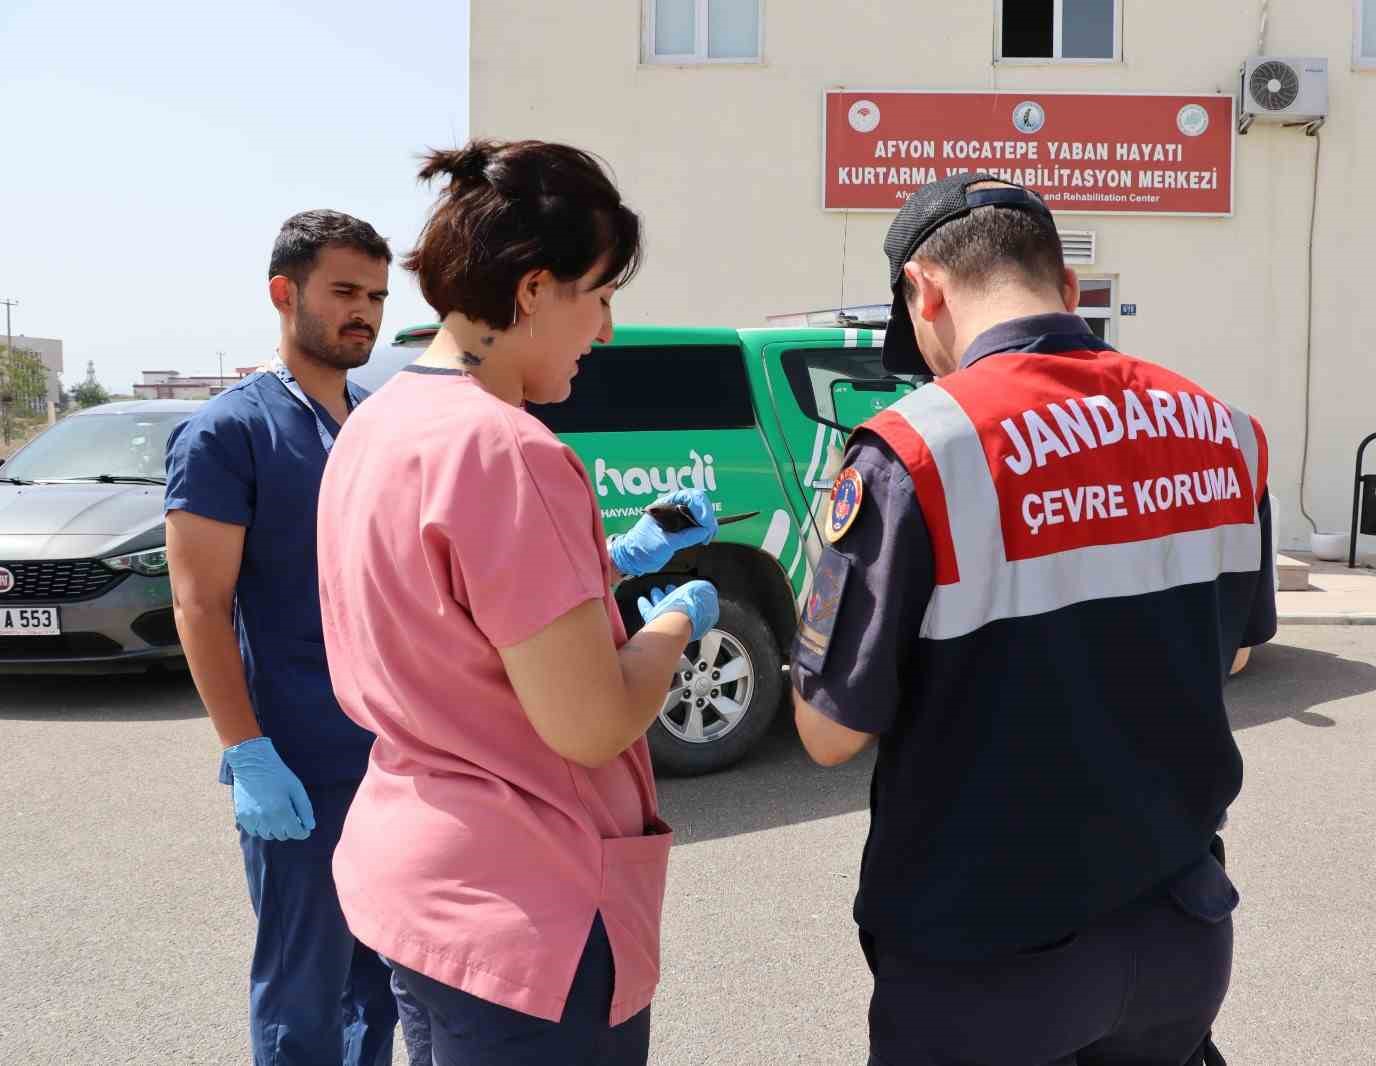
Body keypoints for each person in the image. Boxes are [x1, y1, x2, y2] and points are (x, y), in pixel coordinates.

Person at [790, 173, 1277, 1066]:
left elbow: (828, 733)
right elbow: (1237, 653)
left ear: (924, 291)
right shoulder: (1225, 431)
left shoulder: (919, 448)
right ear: (1070, 289)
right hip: (1181, 931)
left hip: (988, 955)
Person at [314, 138, 719, 1066]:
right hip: (523, 910)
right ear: (535, 290)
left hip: (420, 881)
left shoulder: (376, 423)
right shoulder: (509, 448)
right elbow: (590, 721)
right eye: (602, 296)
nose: (607, 330)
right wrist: (673, 623)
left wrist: (611, 563)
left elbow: (457, 619)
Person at [165, 210, 413, 1065]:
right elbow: (199, 605)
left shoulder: (376, 421)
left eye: (377, 296)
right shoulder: (229, 431)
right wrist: (249, 751)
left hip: (392, 756)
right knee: (303, 992)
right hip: (299, 764)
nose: (366, 314)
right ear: (285, 292)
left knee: (384, 984)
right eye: (344, 291)